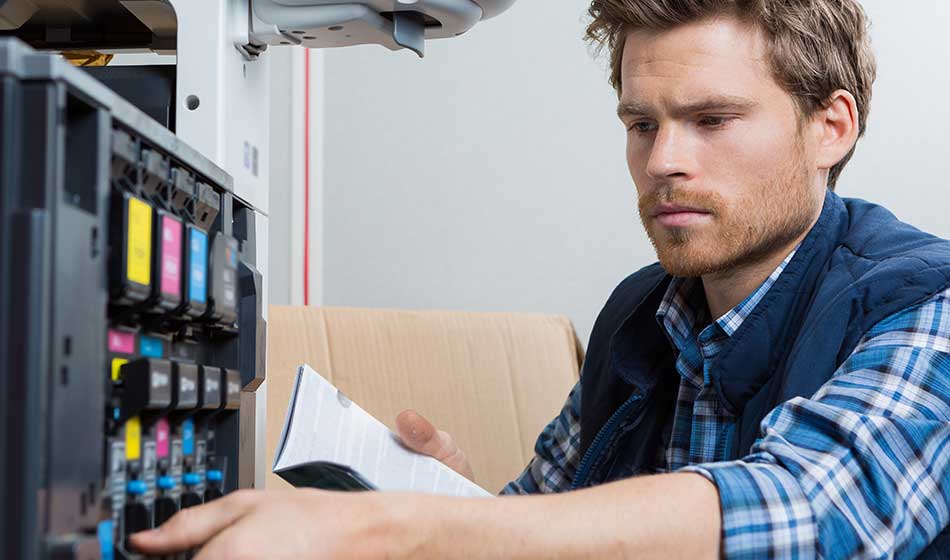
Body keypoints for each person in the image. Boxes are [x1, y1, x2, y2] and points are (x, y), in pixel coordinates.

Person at [132, 0, 950, 557]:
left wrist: (403, 528)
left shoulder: (926, 305)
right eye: (641, 123)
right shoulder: (641, 317)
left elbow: (811, 515)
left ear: (830, 128)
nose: (663, 160)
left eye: (711, 120)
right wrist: (438, 497)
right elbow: (535, 528)